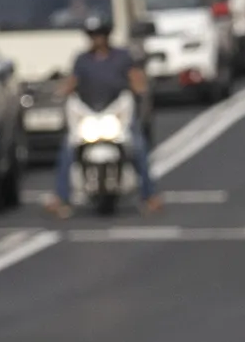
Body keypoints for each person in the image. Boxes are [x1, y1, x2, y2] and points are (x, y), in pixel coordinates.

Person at [46, 19, 160, 212]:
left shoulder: (122, 57)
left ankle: (149, 195)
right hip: (89, 113)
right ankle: (61, 197)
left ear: (107, 36)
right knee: (68, 149)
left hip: (117, 112)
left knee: (137, 146)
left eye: (99, 34)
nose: (96, 39)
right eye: (92, 35)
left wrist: (140, 90)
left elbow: (136, 80)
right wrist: (59, 92)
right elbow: (72, 82)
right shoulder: (82, 60)